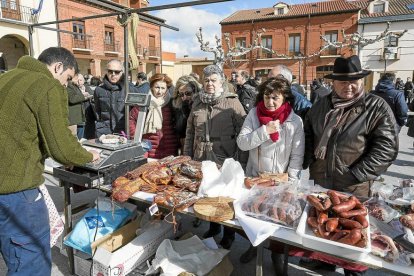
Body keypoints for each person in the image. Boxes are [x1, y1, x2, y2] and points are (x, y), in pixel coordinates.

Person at [0, 47, 99, 276]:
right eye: (67, 79)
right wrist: (87, 155)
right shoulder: (46, 85)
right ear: (58, 67)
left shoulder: (7, 78)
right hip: (17, 190)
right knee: (30, 261)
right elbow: (61, 147)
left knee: (12, 253)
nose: (65, 85)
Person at [303, 55, 398, 275]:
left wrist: (355, 174)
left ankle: (353, 272)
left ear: (362, 81)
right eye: (343, 82)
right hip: (322, 185)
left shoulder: (375, 107)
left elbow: (386, 149)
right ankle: (324, 262)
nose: (349, 86)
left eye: (354, 81)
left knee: (353, 241)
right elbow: (309, 136)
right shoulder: (320, 106)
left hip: (353, 189)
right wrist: (307, 162)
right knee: (326, 232)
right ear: (333, 83)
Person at [236, 77, 305, 266]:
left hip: (280, 180)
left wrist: (291, 182)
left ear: (285, 98)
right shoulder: (253, 114)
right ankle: (253, 247)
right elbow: (242, 143)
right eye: (267, 97)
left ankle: (277, 256)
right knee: (254, 218)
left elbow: (297, 156)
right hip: (256, 178)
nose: (270, 102)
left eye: (275, 97)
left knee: (277, 221)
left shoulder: (294, 121)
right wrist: (264, 131)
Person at [184, 64, 246, 249]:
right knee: (207, 193)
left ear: (221, 81)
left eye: (214, 80)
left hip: (224, 156)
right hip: (201, 155)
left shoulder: (232, 102)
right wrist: (187, 156)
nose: (210, 83)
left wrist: (241, 161)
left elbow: (243, 133)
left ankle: (229, 233)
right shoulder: (197, 102)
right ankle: (213, 227)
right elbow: (190, 131)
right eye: (207, 80)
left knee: (225, 195)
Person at [129, 73, 179, 158]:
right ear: (152, 87)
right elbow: (131, 119)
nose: (160, 91)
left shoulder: (172, 103)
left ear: (167, 89)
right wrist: (136, 138)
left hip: (169, 148)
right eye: (157, 87)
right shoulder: (145, 102)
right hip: (149, 148)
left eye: (163, 88)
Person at [94, 60, 136, 137]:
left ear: (122, 72)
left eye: (116, 72)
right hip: (104, 132)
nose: (113, 74)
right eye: (110, 71)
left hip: (124, 131)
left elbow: (135, 113)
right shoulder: (99, 90)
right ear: (106, 72)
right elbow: (97, 111)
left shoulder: (130, 89)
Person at [171, 75, 202, 153]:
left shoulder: (202, 104)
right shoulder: (177, 105)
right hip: (183, 147)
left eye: (188, 93)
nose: (184, 97)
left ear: (195, 90)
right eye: (181, 94)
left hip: (199, 146)